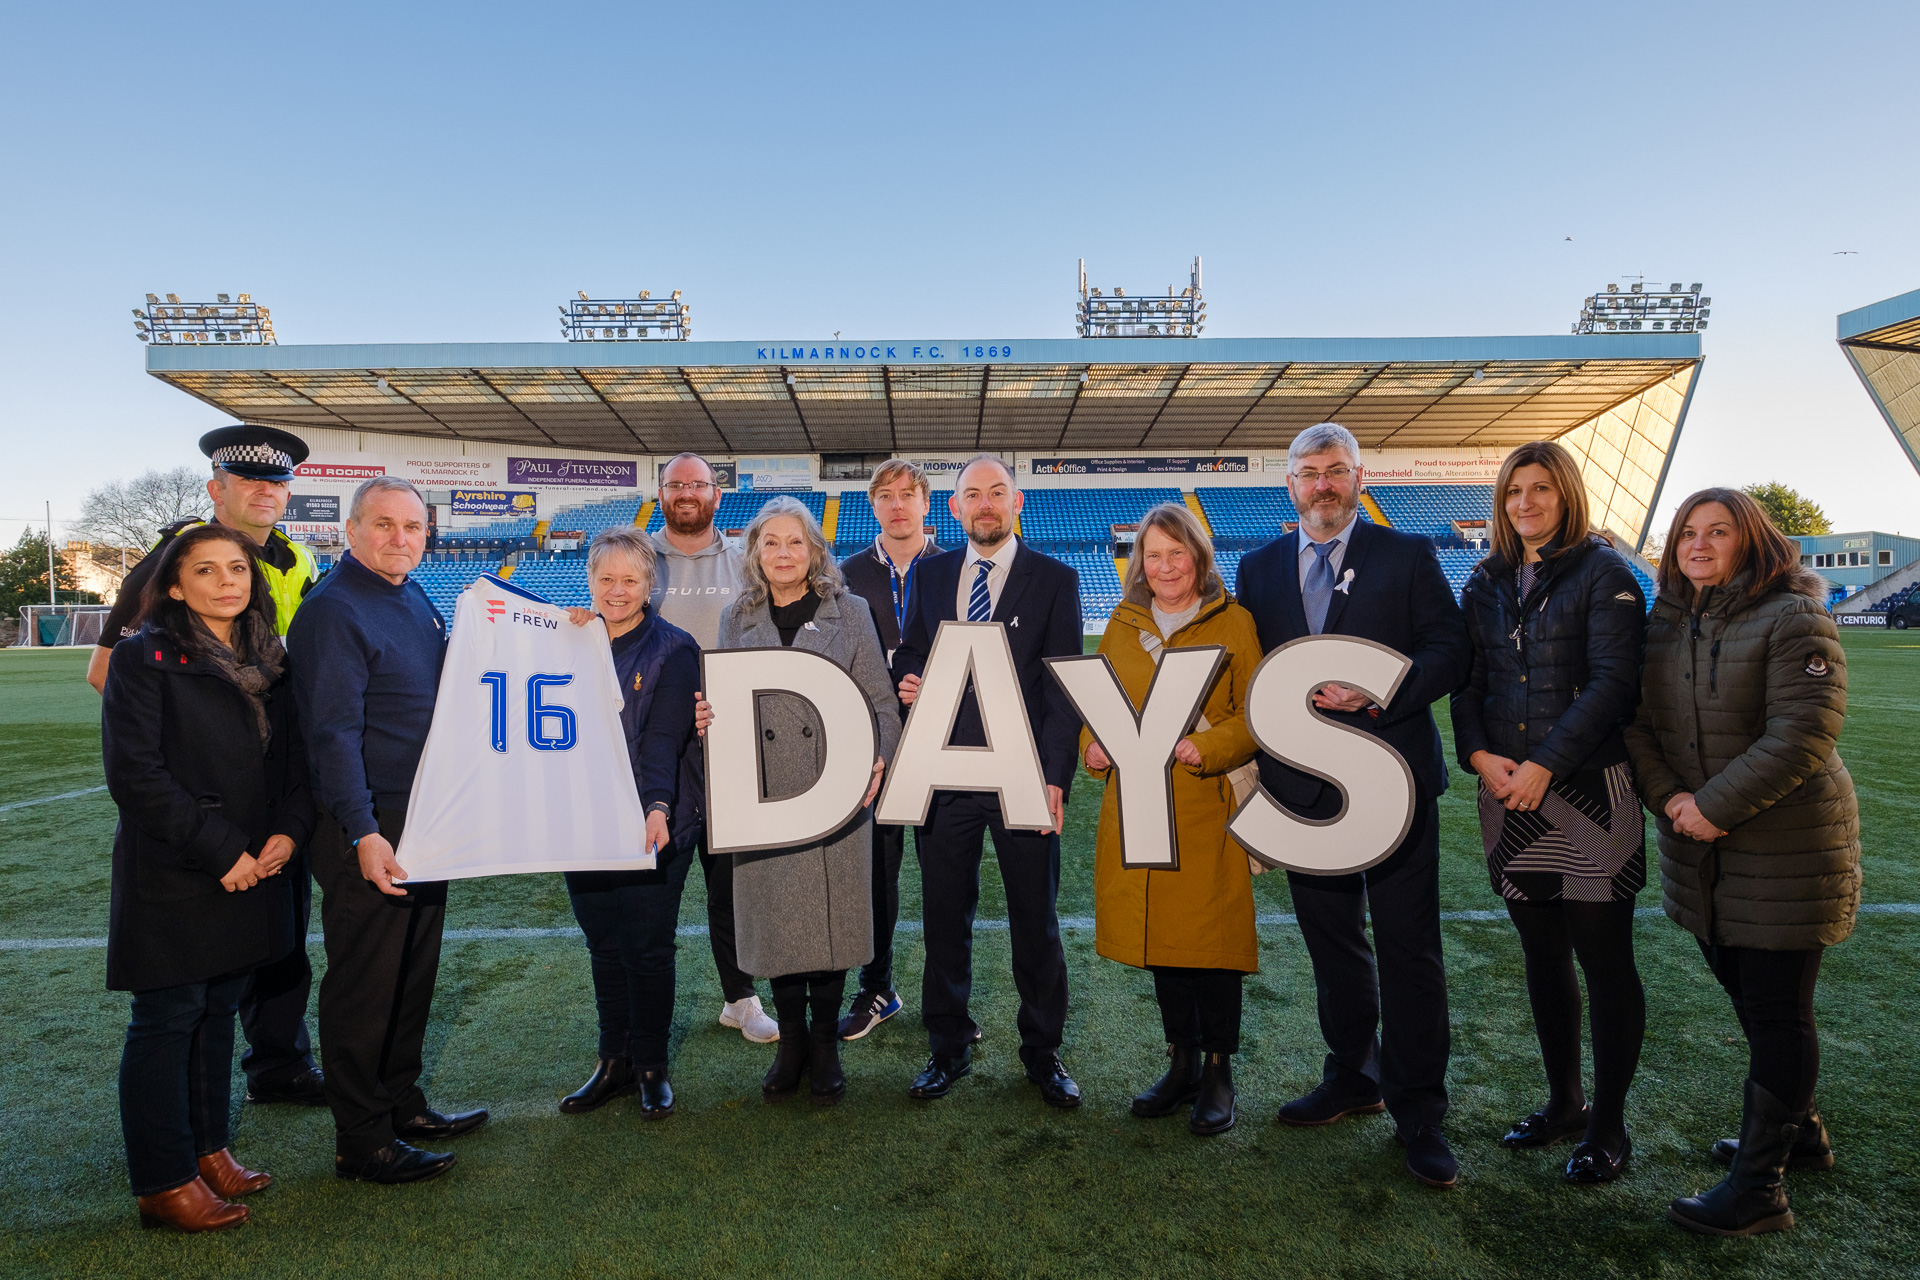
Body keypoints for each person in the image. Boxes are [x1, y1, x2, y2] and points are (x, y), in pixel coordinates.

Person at [1235, 422, 1472, 1188]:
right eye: (1309, 472)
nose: (1323, 484)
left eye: (1336, 471)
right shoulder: (1260, 565)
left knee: (1409, 948)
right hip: (1303, 789)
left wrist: (1379, 686)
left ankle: (1420, 1109)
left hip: (1392, 783)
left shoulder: (1406, 556)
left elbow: (1451, 651)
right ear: (1291, 485)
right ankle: (1353, 1075)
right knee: (1332, 945)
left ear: (1360, 478)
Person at [1625, 487, 1859, 1237]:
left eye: (1716, 532)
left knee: (1776, 1010)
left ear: (1750, 540)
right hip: (1699, 843)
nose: (1698, 544)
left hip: (1785, 846)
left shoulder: (1794, 616)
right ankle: (1800, 1131)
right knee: (1751, 997)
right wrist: (1671, 801)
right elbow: (1638, 727)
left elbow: (1803, 733)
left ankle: (1760, 1189)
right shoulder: (1665, 621)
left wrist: (1713, 806)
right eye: (1687, 532)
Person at [89, 425, 325, 1109]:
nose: (265, 491)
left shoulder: (294, 559)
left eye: (276, 481)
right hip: (203, 814)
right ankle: (184, 1146)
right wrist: (208, 759)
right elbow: (109, 671)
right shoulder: (173, 557)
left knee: (279, 945)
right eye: (249, 480)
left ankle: (278, 1064)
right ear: (215, 488)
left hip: (275, 798)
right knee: (186, 998)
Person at [101, 523, 314, 1231]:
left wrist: (288, 830)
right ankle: (164, 1181)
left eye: (237, 569)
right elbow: (137, 776)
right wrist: (223, 851)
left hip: (255, 863)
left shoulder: (269, 655)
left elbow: (290, 762)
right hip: (182, 869)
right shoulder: (143, 657)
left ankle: (207, 1148)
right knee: (166, 1019)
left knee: (220, 1009)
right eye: (206, 571)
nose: (228, 581)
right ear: (172, 585)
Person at [1451, 441, 1648, 1184]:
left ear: (1566, 495)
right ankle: (1564, 1102)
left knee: (1604, 960)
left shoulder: (1606, 574)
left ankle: (1609, 1128)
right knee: (1541, 956)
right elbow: (1466, 685)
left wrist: (1544, 765)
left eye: (1540, 489)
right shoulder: (1486, 580)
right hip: (1507, 791)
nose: (1525, 503)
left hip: (1590, 789)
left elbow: (1613, 684)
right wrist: (1479, 757)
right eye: (1513, 491)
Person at [288, 476, 488, 1185]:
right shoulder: (333, 610)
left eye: (412, 527)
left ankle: (402, 1102)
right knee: (366, 983)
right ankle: (361, 1137)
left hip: (426, 815)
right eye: (384, 525)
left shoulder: (411, 595)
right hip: (371, 822)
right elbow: (332, 736)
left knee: (411, 973)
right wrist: (363, 831)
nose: (400, 538)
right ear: (351, 530)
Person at [891, 454, 1085, 1107]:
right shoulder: (932, 571)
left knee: (1037, 917)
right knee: (945, 916)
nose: (985, 504)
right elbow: (914, 648)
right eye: (972, 494)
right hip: (943, 773)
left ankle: (1043, 1050)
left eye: (996, 492)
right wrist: (909, 677)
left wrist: (1055, 774)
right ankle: (947, 1048)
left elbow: (1062, 688)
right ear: (954, 507)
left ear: (1017, 501)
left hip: (1021, 774)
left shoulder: (1056, 578)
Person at [708, 496, 901, 1105]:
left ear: (814, 550)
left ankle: (824, 1042)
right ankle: (790, 1041)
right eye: (771, 543)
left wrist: (880, 760)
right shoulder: (735, 617)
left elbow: (880, 702)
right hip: (763, 795)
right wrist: (705, 715)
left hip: (836, 789)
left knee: (830, 922)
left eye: (795, 542)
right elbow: (726, 704)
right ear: (755, 553)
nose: (783, 553)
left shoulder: (854, 611)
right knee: (779, 924)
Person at [1081, 503, 1262, 1137]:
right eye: (1152, 555)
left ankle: (1218, 1071)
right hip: (1139, 804)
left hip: (1204, 805)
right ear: (1139, 563)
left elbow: (1254, 714)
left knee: (1210, 944)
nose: (1164, 567)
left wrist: (1208, 748)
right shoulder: (1122, 625)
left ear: (1198, 558)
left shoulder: (1234, 622)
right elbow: (1097, 702)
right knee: (1163, 940)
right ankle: (1181, 1062)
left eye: (1176, 554)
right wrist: (1092, 748)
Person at [555, 528, 699, 1119]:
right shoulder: (565, 641)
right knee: (604, 945)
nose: (617, 591)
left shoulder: (675, 646)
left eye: (630, 580)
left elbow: (664, 736)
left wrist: (657, 806)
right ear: (590, 580)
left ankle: (651, 1066)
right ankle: (611, 1060)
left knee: (647, 947)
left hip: (653, 820)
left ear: (650, 585)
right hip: (582, 820)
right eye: (606, 579)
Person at [648, 451, 777, 1045]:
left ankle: (741, 998)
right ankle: (649, 1021)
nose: (687, 494)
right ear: (661, 492)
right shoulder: (638, 555)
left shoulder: (744, 560)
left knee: (730, 882)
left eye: (697, 485)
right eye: (676, 485)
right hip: (659, 749)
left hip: (731, 743)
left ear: (716, 494)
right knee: (658, 883)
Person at [835, 458, 942, 1040]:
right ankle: (877, 988)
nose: (897, 505)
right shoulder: (845, 573)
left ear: (927, 503)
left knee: (945, 874)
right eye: (885, 496)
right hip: (870, 740)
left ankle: (946, 999)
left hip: (946, 741)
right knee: (877, 870)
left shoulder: (957, 569)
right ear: (872, 506)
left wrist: (932, 677)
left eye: (908, 494)